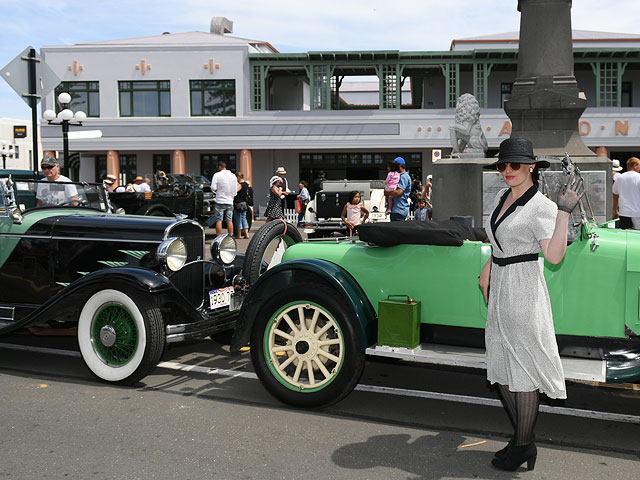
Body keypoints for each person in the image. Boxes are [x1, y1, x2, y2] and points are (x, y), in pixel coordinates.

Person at [478, 137, 584, 472]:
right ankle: (523, 440)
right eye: (502, 165)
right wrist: (486, 270)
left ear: (531, 167)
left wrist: (564, 211)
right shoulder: (500, 197)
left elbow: (553, 256)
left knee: (522, 371)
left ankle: (522, 444)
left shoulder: (541, 207)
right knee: (503, 368)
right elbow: (497, 239)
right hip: (501, 288)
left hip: (524, 291)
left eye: (514, 165)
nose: (507, 171)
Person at [210, 161, 237, 235]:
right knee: (229, 220)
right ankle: (230, 236)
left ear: (219, 167)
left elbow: (213, 187)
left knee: (219, 220)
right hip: (230, 200)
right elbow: (235, 190)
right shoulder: (233, 176)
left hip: (220, 200)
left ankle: (219, 237)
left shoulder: (217, 175)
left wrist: (216, 191)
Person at [612, 157, 640, 230]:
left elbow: (615, 195)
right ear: (635, 165)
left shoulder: (620, 178)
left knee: (625, 236)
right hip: (638, 213)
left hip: (624, 213)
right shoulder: (639, 177)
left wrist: (615, 210)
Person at [387, 157, 411, 222]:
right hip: (395, 209)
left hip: (399, 209)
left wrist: (388, 192)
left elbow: (399, 192)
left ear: (400, 166)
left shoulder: (404, 176)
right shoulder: (396, 175)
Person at [233, 172, 250, 239]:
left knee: (238, 219)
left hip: (238, 203)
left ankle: (239, 235)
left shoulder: (240, 185)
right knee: (244, 218)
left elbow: (235, 191)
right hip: (244, 203)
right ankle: (246, 234)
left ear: (238, 177)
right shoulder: (246, 184)